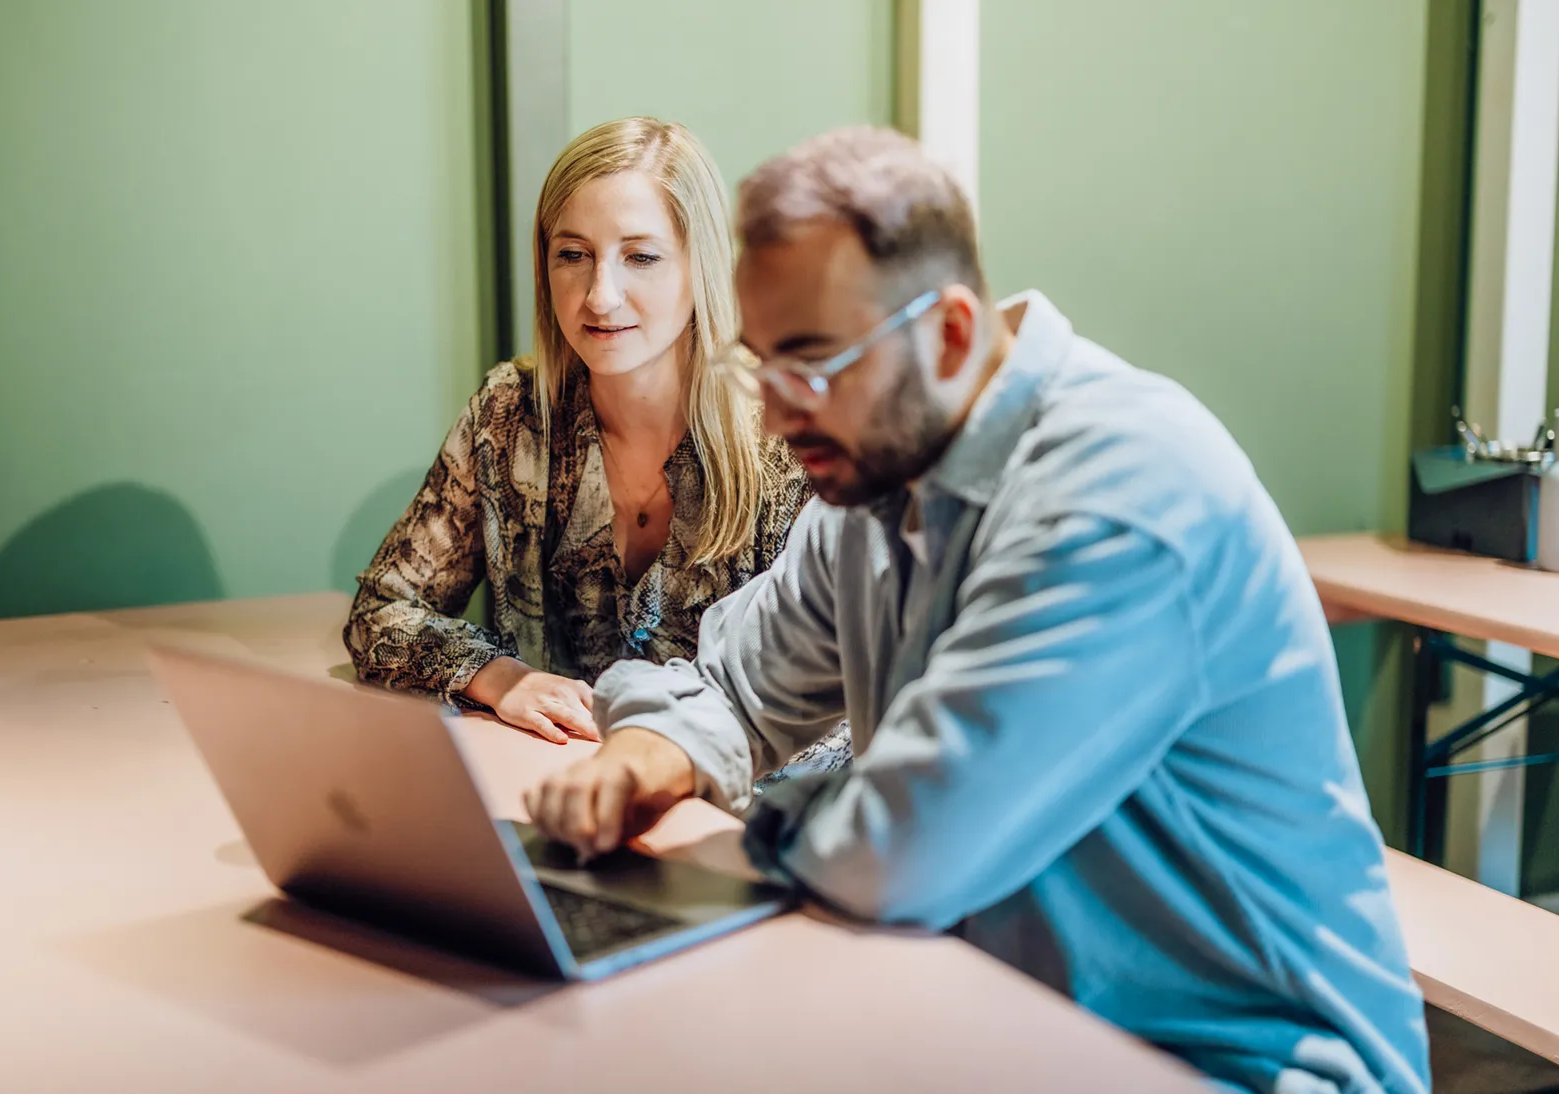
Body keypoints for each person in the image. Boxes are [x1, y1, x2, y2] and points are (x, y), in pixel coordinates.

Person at [525, 126, 1429, 1093]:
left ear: (950, 332)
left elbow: (903, 853)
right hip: (1004, 1018)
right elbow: (736, 687)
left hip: (1236, 1063)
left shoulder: (1120, 494)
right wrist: (651, 755)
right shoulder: (875, 479)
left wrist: (758, 809)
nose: (780, 416)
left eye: (814, 365)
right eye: (762, 367)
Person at [344, 117, 847, 780]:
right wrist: (502, 679)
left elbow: (842, 714)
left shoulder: (790, 438)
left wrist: (660, 760)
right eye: (573, 255)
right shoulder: (510, 412)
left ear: (705, 267)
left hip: (738, 830)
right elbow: (382, 611)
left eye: (641, 256)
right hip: (540, 797)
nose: (600, 296)